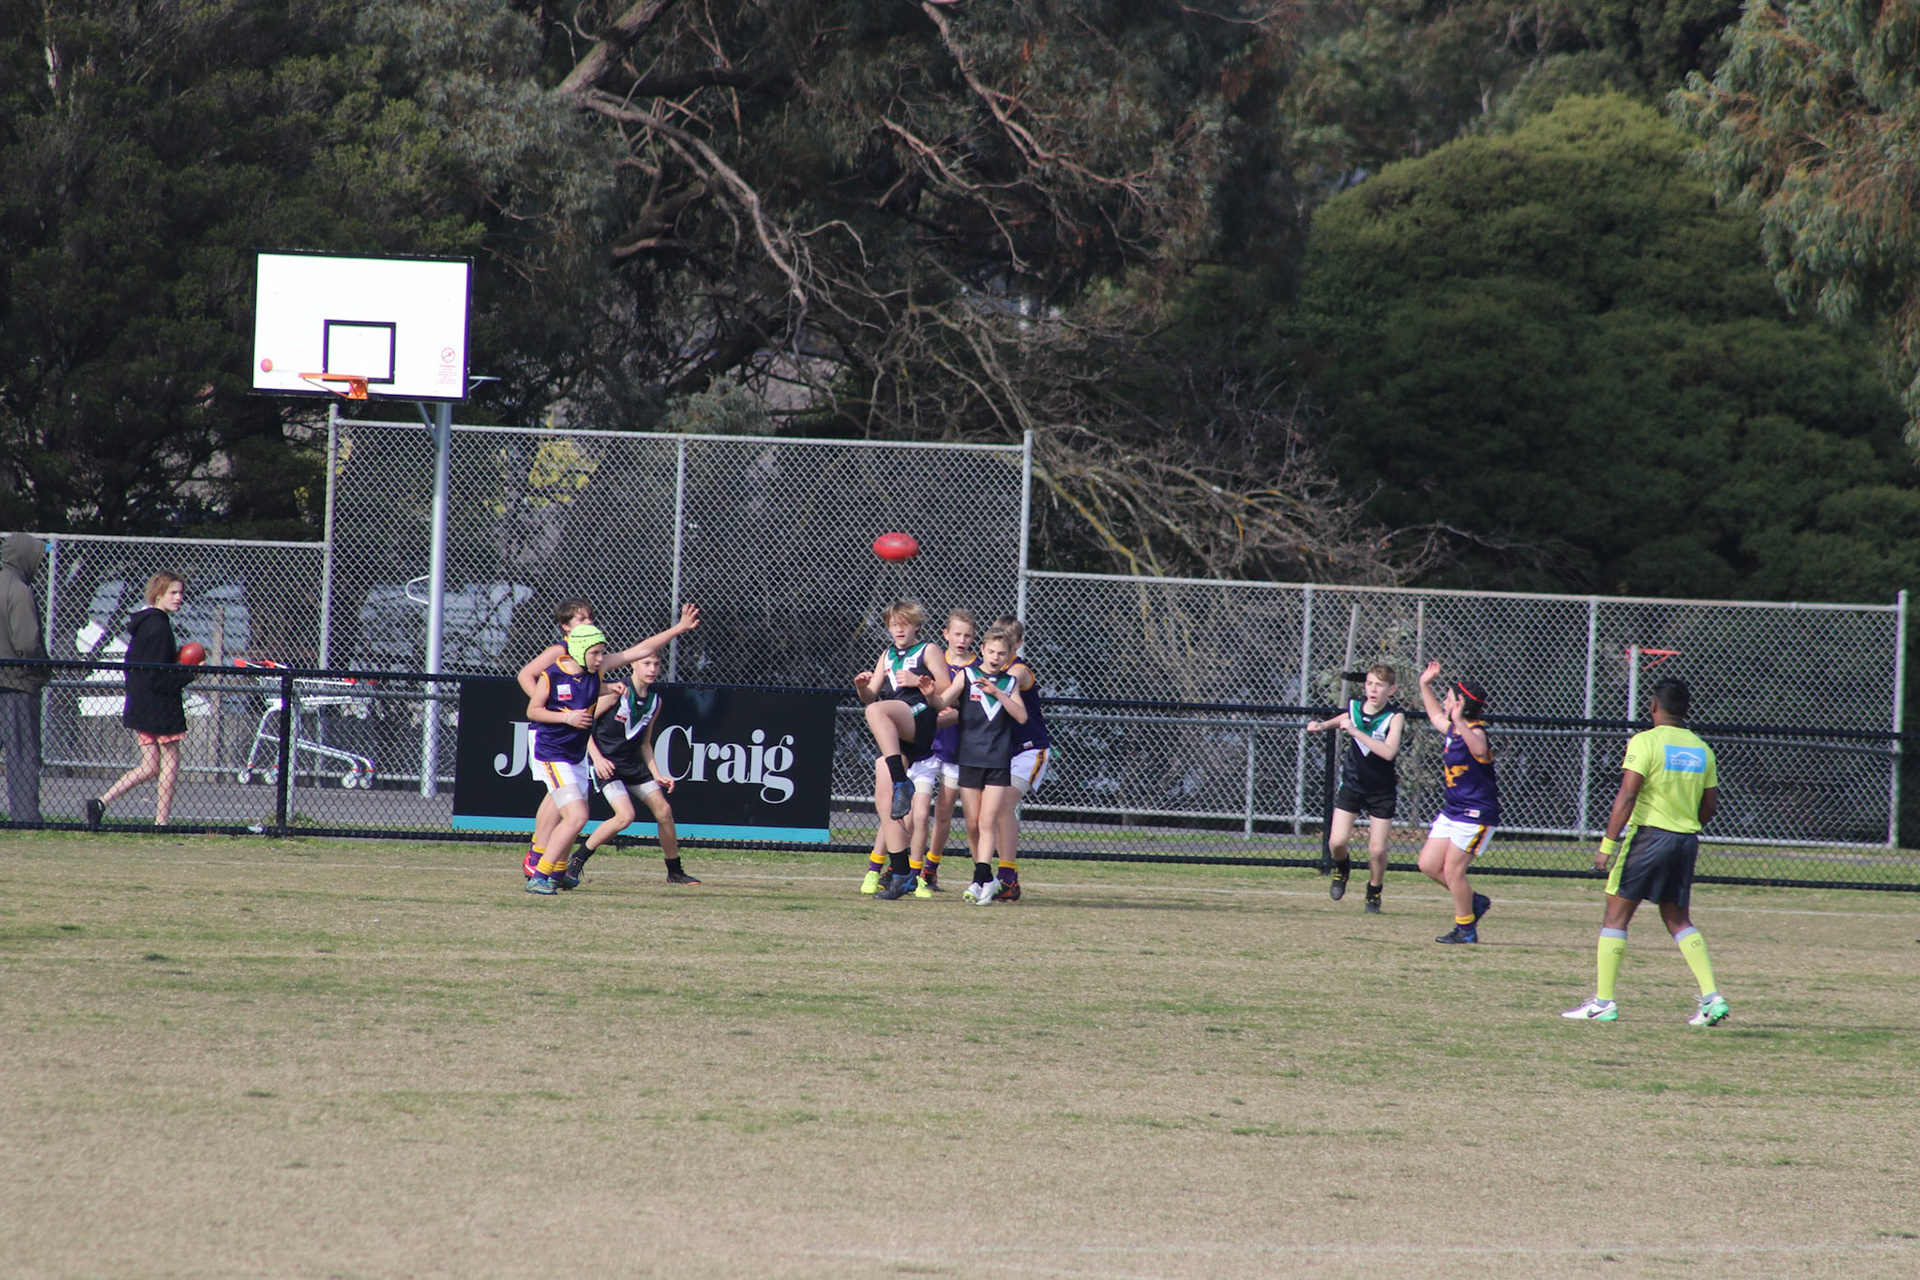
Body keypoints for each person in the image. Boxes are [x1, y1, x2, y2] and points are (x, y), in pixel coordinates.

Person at [1564, 679, 1728, 1026]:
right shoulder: (1702, 750)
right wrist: (1684, 825)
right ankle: (1712, 997)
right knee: (1678, 920)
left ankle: (1604, 1003)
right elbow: (1710, 805)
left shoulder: (1645, 741)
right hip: (1685, 841)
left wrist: (1606, 847)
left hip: (1649, 838)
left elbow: (1627, 795)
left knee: (1616, 917)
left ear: (1653, 706)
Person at [516, 600, 699, 878]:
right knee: (562, 800)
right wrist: (557, 709)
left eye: (590, 618)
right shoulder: (560, 654)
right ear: (565, 627)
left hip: (576, 740)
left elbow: (639, 650)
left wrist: (678, 628)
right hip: (553, 736)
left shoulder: (595, 662)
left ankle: (555, 867)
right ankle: (538, 857)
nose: (588, 623)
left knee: (569, 804)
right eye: (581, 619)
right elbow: (528, 679)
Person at [918, 624, 1027, 905]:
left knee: (988, 821)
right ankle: (985, 878)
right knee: (973, 823)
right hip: (969, 759)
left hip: (997, 760)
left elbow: (1021, 716)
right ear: (982, 650)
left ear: (1008, 656)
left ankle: (980, 879)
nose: (995, 657)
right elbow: (942, 701)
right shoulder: (967, 675)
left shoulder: (1009, 683)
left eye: (1001, 653)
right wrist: (930, 694)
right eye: (991, 651)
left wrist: (998, 693)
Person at [578, 650, 700, 886]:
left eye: (656, 664)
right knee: (625, 816)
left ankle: (674, 871)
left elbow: (645, 744)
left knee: (664, 810)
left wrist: (657, 774)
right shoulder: (616, 692)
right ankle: (577, 860)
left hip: (632, 764)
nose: (652, 669)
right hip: (607, 765)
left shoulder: (655, 702)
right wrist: (598, 758)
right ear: (633, 664)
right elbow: (584, 726)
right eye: (646, 663)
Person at [853, 599, 947, 894]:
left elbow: (946, 689)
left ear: (917, 625)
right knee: (885, 803)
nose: (899, 629)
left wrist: (920, 681)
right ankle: (902, 874)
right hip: (896, 733)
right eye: (894, 625)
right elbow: (871, 695)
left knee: (875, 711)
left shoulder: (928, 650)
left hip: (919, 716)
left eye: (905, 624)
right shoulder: (887, 655)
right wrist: (861, 686)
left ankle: (900, 781)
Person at [89, 572, 197, 828]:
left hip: (141, 703)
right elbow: (157, 677)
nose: (179, 597)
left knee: (150, 766)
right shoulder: (158, 628)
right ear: (158, 595)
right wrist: (189, 673)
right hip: (159, 707)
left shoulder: (145, 624)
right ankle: (162, 822)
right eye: (173, 593)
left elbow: (145, 669)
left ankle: (101, 802)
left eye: (181, 593)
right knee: (170, 759)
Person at [1306, 664, 1406, 913]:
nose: (1373, 689)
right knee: (1336, 842)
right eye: (1370, 683)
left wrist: (1356, 732)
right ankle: (1342, 868)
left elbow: (1389, 752)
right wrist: (1322, 726)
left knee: (1377, 849)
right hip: (1352, 784)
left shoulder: (1394, 717)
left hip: (1381, 790)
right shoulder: (1354, 708)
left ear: (1391, 690)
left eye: (1380, 685)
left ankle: (1374, 891)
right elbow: (1344, 719)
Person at [1415, 660, 1495, 944]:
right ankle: (1473, 902)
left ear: (1460, 705)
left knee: (1453, 871)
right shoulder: (1453, 729)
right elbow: (1435, 716)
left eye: (1449, 698)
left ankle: (1466, 929)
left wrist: (1459, 720)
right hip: (1453, 811)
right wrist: (1425, 684)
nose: (1445, 702)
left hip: (1475, 814)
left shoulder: (1475, 730)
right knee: (1428, 864)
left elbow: (1480, 750)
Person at [524, 625, 608, 895]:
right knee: (577, 815)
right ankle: (539, 875)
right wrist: (567, 717)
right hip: (553, 754)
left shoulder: (594, 674)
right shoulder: (552, 675)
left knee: (575, 817)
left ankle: (558, 873)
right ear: (581, 651)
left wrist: (678, 628)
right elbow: (533, 711)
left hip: (575, 756)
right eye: (595, 653)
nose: (600, 658)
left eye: (602, 652)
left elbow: (636, 652)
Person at [989, 615, 1050, 904]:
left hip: (1030, 750)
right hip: (1005, 751)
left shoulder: (1019, 670)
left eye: (1008, 641)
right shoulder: (990, 669)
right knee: (991, 811)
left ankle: (1007, 878)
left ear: (1017, 644)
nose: (1001, 648)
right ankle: (1004, 877)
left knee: (1003, 806)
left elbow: (1013, 680)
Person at [1, 533, 50, 824]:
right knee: (21, 752)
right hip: (17, 683)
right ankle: (25, 816)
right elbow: (28, 643)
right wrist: (42, 667)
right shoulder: (19, 591)